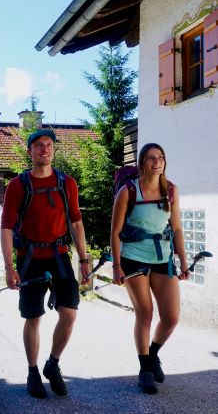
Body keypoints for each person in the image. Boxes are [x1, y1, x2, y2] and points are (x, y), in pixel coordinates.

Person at [0, 129, 90, 399]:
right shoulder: (17, 186)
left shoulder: (67, 183)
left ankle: (52, 364)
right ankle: (32, 371)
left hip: (59, 255)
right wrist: (9, 267)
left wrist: (84, 259)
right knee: (33, 317)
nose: (44, 150)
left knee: (70, 312)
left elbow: (76, 222)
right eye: (39, 145)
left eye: (49, 145)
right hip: (29, 259)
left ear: (53, 150)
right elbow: (6, 228)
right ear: (30, 152)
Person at [110, 143, 189, 394]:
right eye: (151, 158)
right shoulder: (128, 191)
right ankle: (145, 369)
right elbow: (115, 231)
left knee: (171, 317)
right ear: (143, 162)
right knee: (145, 313)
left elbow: (176, 228)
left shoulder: (171, 191)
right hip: (133, 257)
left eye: (161, 158)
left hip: (162, 258)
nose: (157, 162)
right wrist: (116, 266)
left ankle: (152, 354)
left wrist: (184, 261)